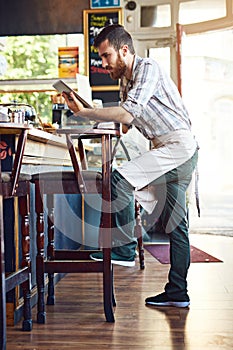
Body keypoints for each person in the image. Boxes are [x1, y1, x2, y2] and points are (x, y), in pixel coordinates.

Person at [62, 24, 198, 308]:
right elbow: (127, 122)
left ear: (124, 50)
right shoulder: (128, 82)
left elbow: (128, 112)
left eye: (106, 55)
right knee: (177, 225)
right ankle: (178, 293)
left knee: (119, 178)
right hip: (174, 149)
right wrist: (94, 113)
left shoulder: (147, 68)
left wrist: (86, 113)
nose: (103, 63)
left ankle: (123, 249)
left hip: (177, 146)